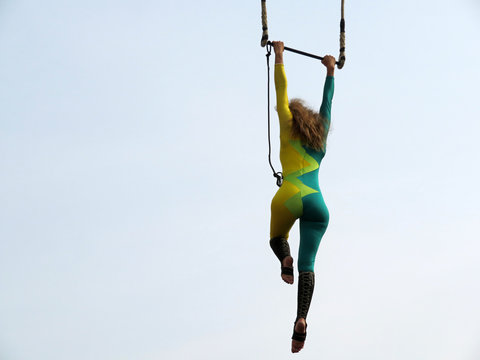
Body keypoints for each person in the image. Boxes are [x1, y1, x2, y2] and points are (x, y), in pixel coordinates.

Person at [268, 41, 336, 353]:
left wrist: (279, 55)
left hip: (291, 194)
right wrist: (330, 72)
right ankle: (301, 320)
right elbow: (327, 106)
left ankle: (284, 258)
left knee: (277, 235)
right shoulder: (320, 137)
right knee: (308, 263)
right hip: (318, 204)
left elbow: (280, 95)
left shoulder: (286, 125)